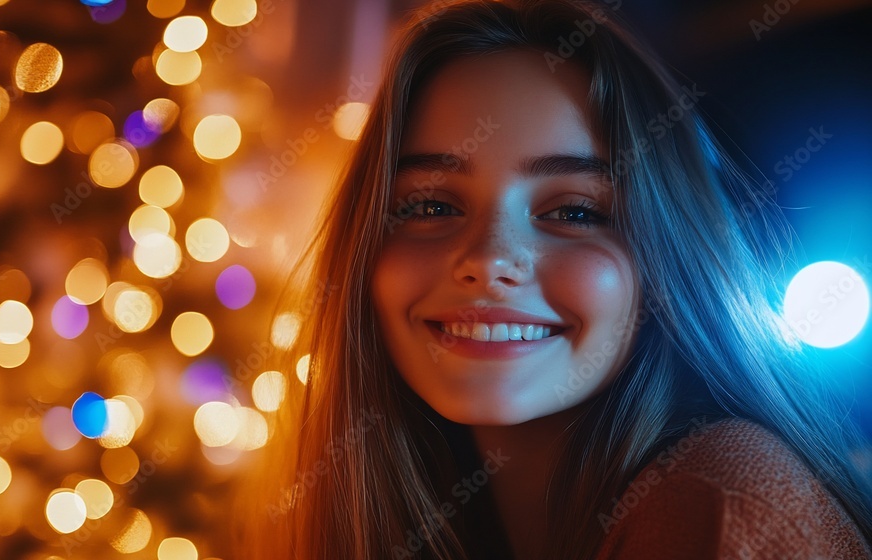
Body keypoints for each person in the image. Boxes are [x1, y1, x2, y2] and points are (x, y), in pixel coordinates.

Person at [236, 1, 872, 558]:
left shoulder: (719, 503)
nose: (488, 258)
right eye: (430, 206)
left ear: (665, 260)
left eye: (574, 212)